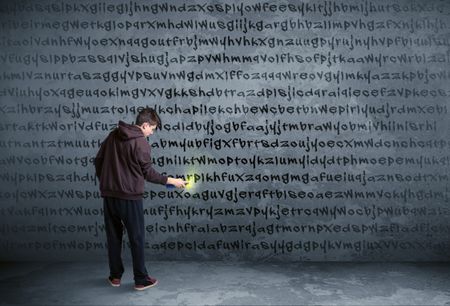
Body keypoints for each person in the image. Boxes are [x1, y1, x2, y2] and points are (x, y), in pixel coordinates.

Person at [94, 107, 186, 290]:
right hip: (130, 198)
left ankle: (115, 277)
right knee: (136, 238)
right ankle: (141, 279)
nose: (151, 133)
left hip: (109, 196)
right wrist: (172, 181)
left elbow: (98, 160)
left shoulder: (113, 135)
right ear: (144, 125)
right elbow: (149, 174)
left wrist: (107, 182)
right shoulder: (141, 142)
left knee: (113, 237)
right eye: (152, 129)